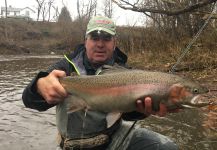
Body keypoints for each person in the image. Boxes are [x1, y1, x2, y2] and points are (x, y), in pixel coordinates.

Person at [22, 15, 178, 150]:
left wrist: (143, 111)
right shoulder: (65, 66)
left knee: (167, 147)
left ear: (114, 43)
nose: (100, 44)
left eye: (106, 38)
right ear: (85, 41)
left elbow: (128, 115)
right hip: (71, 144)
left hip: (113, 139)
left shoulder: (125, 72)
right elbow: (29, 101)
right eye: (95, 38)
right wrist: (39, 86)